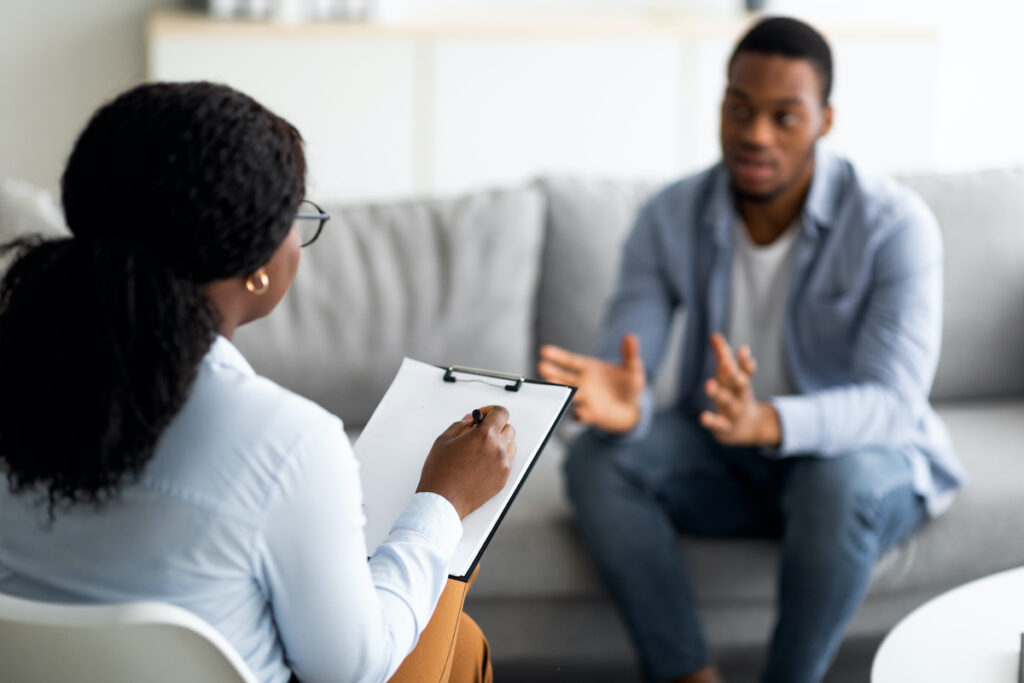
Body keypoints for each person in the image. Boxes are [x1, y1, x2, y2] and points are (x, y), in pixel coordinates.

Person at [0, 81, 517, 683]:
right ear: (255, 268)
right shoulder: (286, 443)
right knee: (455, 636)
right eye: (295, 217)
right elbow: (351, 668)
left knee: (459, 639)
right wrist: (444, 501)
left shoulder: (21, 382)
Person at [537, 16, 965, 683]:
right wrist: (627, 404)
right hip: (726, 452)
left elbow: (892, 405)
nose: (755, 134)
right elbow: (627, 368)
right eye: (739, 109)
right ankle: (687, 673)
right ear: (720, 109)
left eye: (783, 116)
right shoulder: (669, 216)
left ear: (825, 121)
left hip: (852, 461)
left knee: (836, 479)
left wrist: (769, 421)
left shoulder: (894, 225)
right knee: (597, 460)